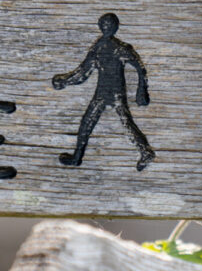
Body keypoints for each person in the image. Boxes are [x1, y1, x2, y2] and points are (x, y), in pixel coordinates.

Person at [53, 12, 155, 169]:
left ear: (115, 27)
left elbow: (140, 67)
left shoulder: (119, 48)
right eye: (104, 25)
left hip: (115, 92)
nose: (107, 28)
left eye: (109, 25)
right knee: (88, 122)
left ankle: (145, 151)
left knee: (125, 122)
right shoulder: (99, 48)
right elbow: (83, 72)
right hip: (103, 93)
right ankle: (77, 157)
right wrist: (65, 80)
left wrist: (142, 90)